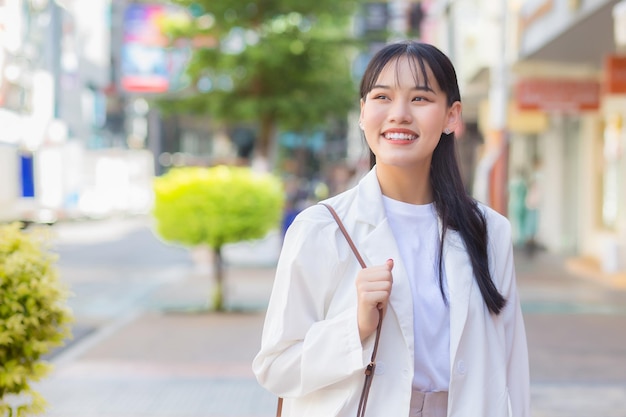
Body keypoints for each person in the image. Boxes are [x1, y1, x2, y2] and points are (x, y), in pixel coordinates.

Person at [253, 40, 530, 417]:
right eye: (382, 96)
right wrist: (355, 325)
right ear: (363, 112)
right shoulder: (321, 228)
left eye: (420, 99)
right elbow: (275, 367)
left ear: (452, 116)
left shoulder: (488, 232)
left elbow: (511, 369)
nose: (399, 114)